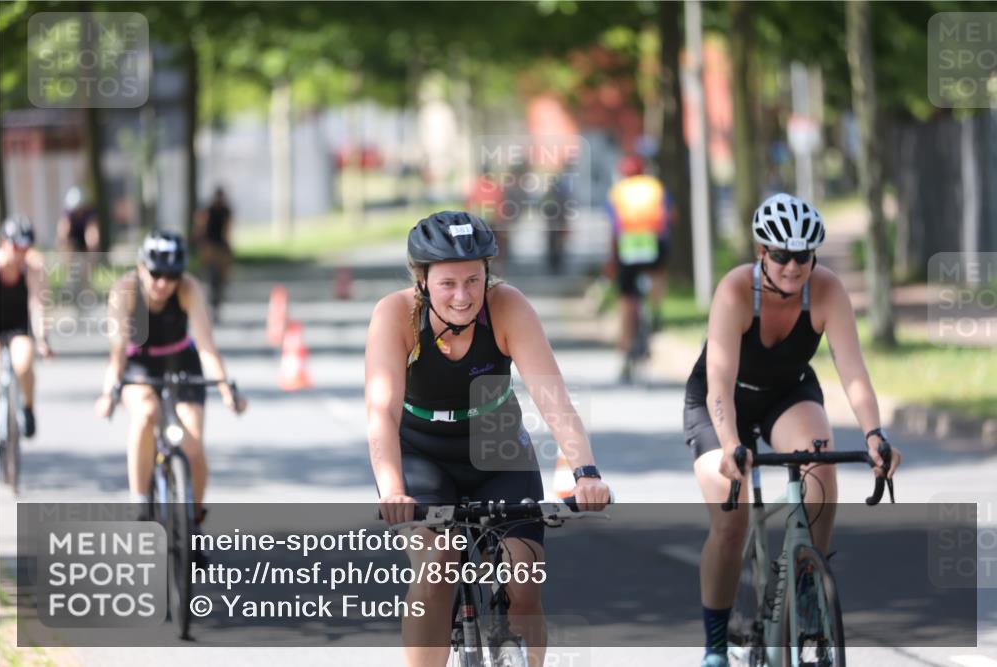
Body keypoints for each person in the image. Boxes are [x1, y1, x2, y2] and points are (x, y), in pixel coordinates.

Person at [365, 211, 611, 667]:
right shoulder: (395, 315)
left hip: (497, 445)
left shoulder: (507, 306)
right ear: (422, 280)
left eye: (473, 281)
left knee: (525, 580)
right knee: (437, 570)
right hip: (422, 451)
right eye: (448, 284)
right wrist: (393, 489)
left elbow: (552, 397)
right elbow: (381, 412)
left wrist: (586, 471)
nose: (463, 297)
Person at [682, 193, 902, 667]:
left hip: (786, 393)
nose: (792, 266)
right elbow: (718, 380)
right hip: (723, 402)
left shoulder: (826, 291)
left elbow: (854, 372)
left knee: (821, 470)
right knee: (732, 513)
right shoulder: (736, 291)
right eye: (780, 255)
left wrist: (873, 435)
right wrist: (729, 444)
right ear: (761, 252)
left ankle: (809, 595)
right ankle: (716, 646)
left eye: (803, 256)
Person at [94, 231, 246, 526]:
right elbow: (117, 354)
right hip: (140, 365)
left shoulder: (189, 289)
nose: (163, 283)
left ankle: (195, 521)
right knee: (146, 413)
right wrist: (107, 394)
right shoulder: (124, 291)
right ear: (141, 268)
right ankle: (139, 504)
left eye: (172, 275)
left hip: (181, 362)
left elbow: (206, 347)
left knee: (193, 445)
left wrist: (227, 390)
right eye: (156, 273)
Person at [606, 155, 675, 381]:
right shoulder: (655, 187)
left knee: (626, 300)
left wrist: (612, 259)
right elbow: (670, 216)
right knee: (658, 272)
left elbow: (614, 228)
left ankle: (625, 350)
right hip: (654, 243)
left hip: (627, 246)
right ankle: (656, 310)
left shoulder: (617, 191)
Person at [0, 216, 52, 438]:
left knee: (23, 363)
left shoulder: (32, 268)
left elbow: (37, 305)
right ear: (3, 243)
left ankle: (28, 408)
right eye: (16, 246)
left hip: (19, 325)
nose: (20, 252)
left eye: (25, 247)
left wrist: (42, 340)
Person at [194, 186, 234, 321]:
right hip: (210, 246)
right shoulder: (208, 211)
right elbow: (201, 228)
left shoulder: (226, 211)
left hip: (220, 247)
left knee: (220, 279)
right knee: (210, 277)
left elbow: (228, 229)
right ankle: (210, 304)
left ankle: (216, 304)